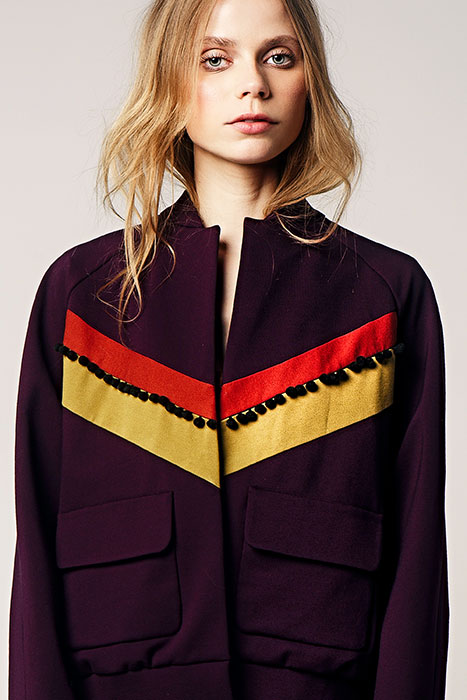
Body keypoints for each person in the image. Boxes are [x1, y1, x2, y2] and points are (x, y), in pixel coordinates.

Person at [8, 0, 449, 698]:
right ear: (170, 80)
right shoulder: (82, 294)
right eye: (215, 59)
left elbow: (417, 560)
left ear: (310, 78)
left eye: (279, 56)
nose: (253, 84)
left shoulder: (384, 297)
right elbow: (35, 551)